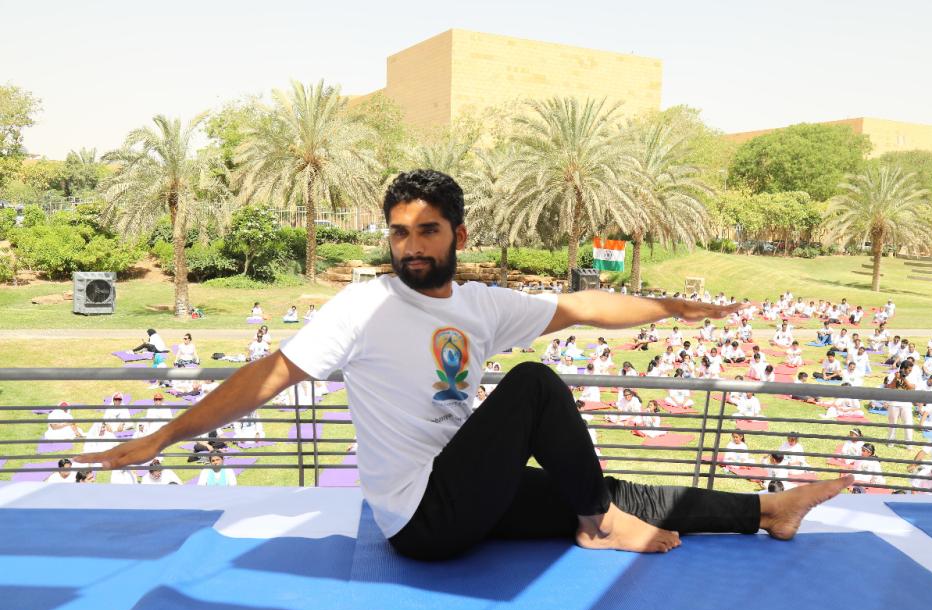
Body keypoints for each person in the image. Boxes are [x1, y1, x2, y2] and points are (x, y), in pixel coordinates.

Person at [79, 169, 851, 561]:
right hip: (422, 520)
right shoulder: (364, 305)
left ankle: (765, 512)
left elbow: (585, 308)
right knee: (536, 386)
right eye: (399, 232)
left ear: (457, 233)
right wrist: (166, 434)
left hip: (471, 491)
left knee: (607, 484)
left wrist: (672, 308)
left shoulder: (483, 304)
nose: (411, 245)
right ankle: (599, 522)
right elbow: (269, 376)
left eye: (428, 230)